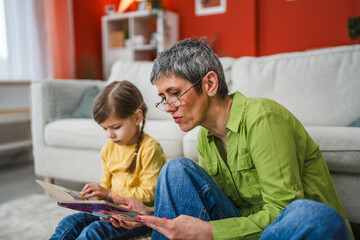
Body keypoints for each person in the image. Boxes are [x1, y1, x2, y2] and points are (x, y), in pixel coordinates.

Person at [108, 38, 354, 240]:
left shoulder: (263, 119)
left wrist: (208, 231)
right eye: (163, 97)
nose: (169, 107)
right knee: (175, 170)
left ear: (210, 83)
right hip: (247, 231)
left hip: (292, 232)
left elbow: (282, 213)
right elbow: (219, 207)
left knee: (311, 215)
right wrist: (149, 213)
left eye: (174, 93)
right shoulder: (206, 136)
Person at [50, 80, 167, 240]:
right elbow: (106, 186)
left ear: (137, 117)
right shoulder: (108, 148)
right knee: (70, 222)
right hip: (112, 211)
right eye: (105, 128)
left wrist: (110, 194)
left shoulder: (150, 149)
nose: (110, 134)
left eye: (116, 127)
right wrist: (93, 198)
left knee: (94, 232)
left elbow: (149, 194)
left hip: (137, 216)